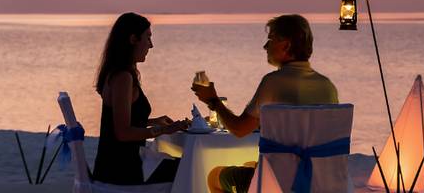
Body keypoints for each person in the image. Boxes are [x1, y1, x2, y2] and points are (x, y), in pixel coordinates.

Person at [192, 14, 338, 193]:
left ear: (286, 45)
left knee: (214, 176)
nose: (265, 46)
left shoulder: (273, 82)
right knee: (250, 165)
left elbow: (239, 129)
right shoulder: (328, 86)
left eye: (270, 39)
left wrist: (213, 101)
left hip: (279, 183)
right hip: (318, 182)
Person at [93, 12, 190, 185]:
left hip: (112, 167)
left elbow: (120, 122)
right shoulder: (123, 78)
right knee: (190, 169)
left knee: (183, 166)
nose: (151, 45)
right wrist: (166, 130)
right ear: (133, 39)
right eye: (148, 38)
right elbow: (122, 133)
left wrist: (154, 121)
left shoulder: (115, 73)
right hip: (121, 173)